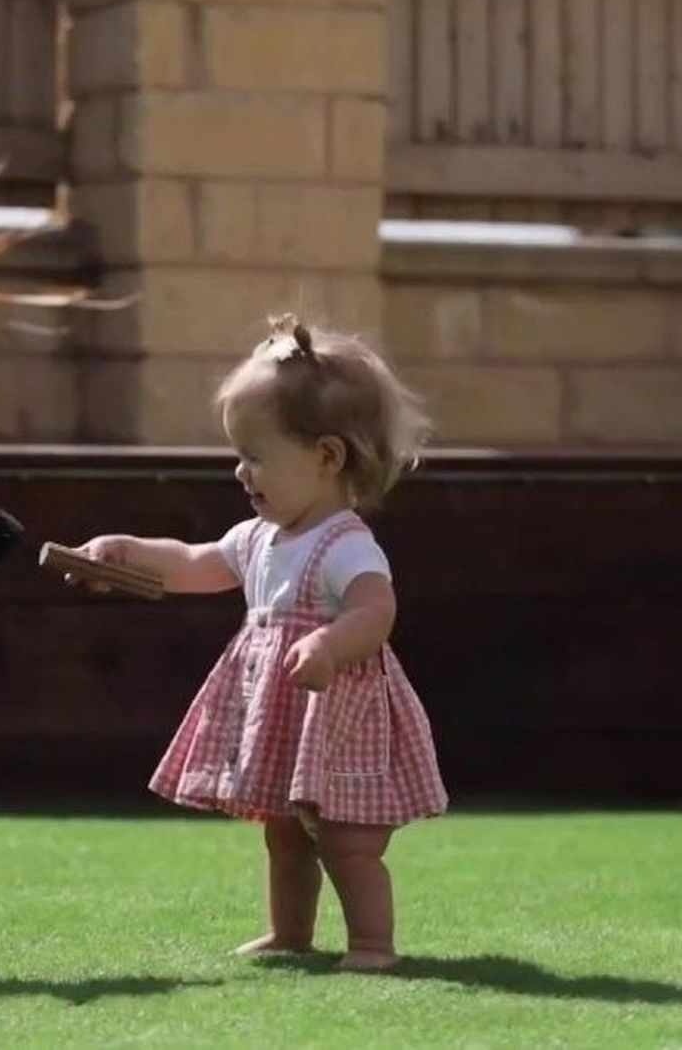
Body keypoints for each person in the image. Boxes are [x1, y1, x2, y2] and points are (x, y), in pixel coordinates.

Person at [71, 314, 447, 970]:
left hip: (336, 712)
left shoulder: (343, 541)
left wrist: (330, 645)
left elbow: (375, 608)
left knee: (347, 837)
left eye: (255, 454)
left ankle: (371, 942)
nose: (240, 471)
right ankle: (290, 931)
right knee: (283, 831)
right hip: (281, 714)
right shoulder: (260, 536)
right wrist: (125, 552)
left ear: (328, 456)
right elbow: (194, 562)